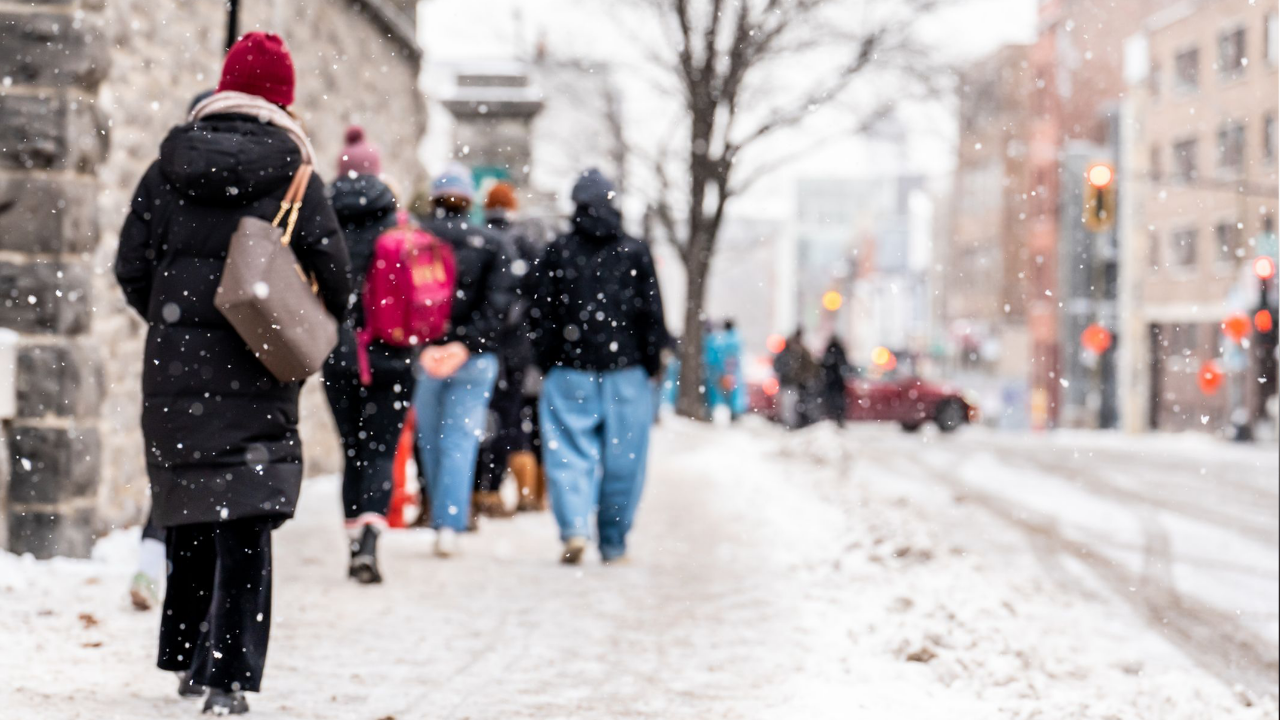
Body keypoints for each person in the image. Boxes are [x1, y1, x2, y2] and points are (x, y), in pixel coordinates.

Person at [114, 32, 349, 715]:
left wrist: (173, 321)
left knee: (189, 504)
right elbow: (337, 279)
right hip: (257, 371)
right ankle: (227, 679)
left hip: (175, 370)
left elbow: (132, 266)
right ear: (283, 98)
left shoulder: (168, 166)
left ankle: (187, 657)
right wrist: (284, 324)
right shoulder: (297, 173)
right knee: (242, 516)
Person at [529, 168, 670, 565]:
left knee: (568, 455)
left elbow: (539, 311)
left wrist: (549, 357)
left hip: (569, 368)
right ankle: (613, 540)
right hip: (626, 370)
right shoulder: (635, 251)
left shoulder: (558, 252)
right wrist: (650, 360)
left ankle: (574, 528)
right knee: (625, 460)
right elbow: (651, 313)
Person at [127, 88, 216, 613]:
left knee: (172, 472)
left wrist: (164, 318)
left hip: (173, 352)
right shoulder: (267, 175)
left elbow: (130, 265)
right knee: (221, 486)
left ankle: (148, 563)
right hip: (241, 357)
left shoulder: (163, 176)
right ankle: (207, 629)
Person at [412, 166, 515, 556]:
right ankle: (450, 521)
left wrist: (430, 344)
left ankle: (437, 508)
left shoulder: (415, 238)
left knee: (430, 440)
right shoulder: (492, 243)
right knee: (460, 439)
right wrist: (467, 344)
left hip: (425, 352)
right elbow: (500, 304)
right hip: (474, 357)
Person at [321, 126, 408, 584]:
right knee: (381, 449)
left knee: (352, 451)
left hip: (339, 351)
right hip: (392, 352)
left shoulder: (321, 213)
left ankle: (355, 537)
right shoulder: (395, 218)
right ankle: (371, 537)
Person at [473, 182, 544, 516]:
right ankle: (524, 493)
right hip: (518, 350)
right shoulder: (526, 243)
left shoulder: (478, 239)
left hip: (481, 345)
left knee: (483, 420)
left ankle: (483, 490)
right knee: (513, 419)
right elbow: (538, 298)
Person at [773, 329, 820, 429]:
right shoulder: (795, 352)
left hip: (792, 383)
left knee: (790, 406)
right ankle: (790, 424)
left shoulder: (796, 352)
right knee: (790, 406)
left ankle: (791, 424)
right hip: (791, 383)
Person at [820, 336, 852, 427]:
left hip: (831, 382)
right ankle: (838, 418)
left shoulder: (829, 352)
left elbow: (824, 366)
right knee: (838, 401)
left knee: (832, 401)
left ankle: (833, 417)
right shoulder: (839, 352)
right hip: (837, 382)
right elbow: (844, 367)